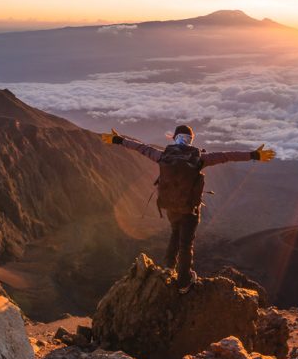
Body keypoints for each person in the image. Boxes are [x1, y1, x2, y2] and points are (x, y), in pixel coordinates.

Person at [101, 124, 275, 293]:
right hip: (190, 209)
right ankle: (184, 282)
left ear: (175, 138)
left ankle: (169, 268)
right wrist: (254, 155)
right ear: (191, 140)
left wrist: (118, 139)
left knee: (175, 234)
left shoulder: (163, 155)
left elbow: (141, 147)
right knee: (186, 243)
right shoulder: (199, 158)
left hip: (170, 206)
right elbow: (227, 155)